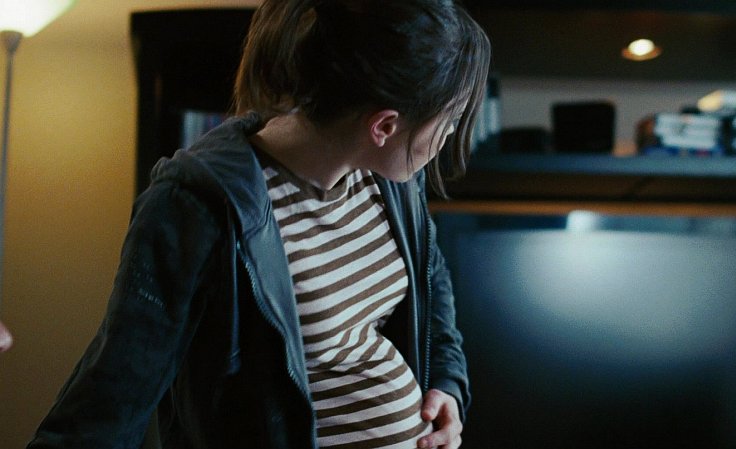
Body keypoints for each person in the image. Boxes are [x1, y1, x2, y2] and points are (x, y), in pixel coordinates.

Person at [27, 0, 490, 448]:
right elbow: (112, 396)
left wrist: (446, 382)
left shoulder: (388, 181)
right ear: (384, 126)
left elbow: (430, 280)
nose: (449, 134)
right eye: (448, 120)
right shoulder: (198, 208)